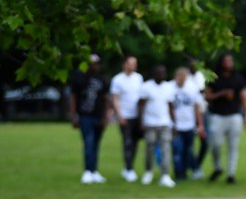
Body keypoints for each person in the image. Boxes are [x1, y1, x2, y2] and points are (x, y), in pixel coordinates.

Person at [205, 53, 246, 184]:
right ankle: (218, 167)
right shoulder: (214, 77)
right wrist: (222, 93)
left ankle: (231, 174)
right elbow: (207, 96)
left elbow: (244, 98)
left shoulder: (238, 78)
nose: (229, 63)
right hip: (217, 115)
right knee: (215, 144)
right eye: (226, 60)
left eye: (231, 60)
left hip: (234, 115)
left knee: (233, 146)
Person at [69, 54, 110, 185]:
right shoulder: (79, 78)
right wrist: (74, 115)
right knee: (89, 142)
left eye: (97, 63)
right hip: (85, 116)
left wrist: (105, 117)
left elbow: (105, 99)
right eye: (92, 63)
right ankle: (87, 171)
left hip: (98, 116)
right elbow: (73, 97)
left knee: (96, 144)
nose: (95, 66)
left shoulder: (102, 79)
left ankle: (94, 171)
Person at [138, 65, 176, 187]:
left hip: (165, 123)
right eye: (159, 73)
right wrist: (141, 121)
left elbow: (170, 106)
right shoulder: (146, 87)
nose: (161, 75)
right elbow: (141, 105)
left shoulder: (168, 87)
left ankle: (165, 175)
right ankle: (148, 171)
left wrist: (174, 122)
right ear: (154, 74)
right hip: (150, 123)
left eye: (163, 73)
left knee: (165, 149)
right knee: (149, 148)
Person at [111, 55, 144, 183]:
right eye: (131, 63)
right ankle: (129, 169)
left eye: (135, 63)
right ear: (125, 64)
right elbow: (115, 99)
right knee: (127, 142)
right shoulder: (118, 80)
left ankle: (128, 166)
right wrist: (120, 115)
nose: (133, 66)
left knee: (135, 143)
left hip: (137, 116)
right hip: (125, 115)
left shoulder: (138, 78)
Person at [171, 67, 205, 181]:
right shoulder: (169, 87)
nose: (181, 80)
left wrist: (200, 124)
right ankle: (179, 174)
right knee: (177, 151)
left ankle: (185, 171)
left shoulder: (192, 88)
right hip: (175, 125)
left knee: (188, 150)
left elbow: (197, 108)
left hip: (189, 125)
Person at [188, 58, 208, 179]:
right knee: (189, 143)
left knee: (205, 142)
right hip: (190, 114)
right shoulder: (185, 77)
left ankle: (197, 166)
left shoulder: (204, 76)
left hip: (203, 112)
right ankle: (194, 168)